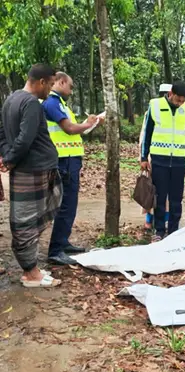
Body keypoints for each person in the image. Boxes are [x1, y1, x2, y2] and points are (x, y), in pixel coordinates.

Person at [0, 64, 62, 287]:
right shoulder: (32, 104)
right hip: (34, 169)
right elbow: (25, 138)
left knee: (29, 218)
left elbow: (2, 131)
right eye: (51, 84)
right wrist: (10, 158)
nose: (51, 89)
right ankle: (30, 273)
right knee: (27, 221)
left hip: (28, 167)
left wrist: (7, 155)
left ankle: (32, 267)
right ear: (42, 82)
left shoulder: (11, 99)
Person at [42, 72, 102, 266]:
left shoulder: (62, 104)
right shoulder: (52, 103)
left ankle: (63, 242)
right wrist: (86, 124)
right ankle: (55, 250)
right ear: (60, 82)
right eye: (71, 85)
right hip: (62, 161)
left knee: (70, 204)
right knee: (65, 205)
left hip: (70, 159)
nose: (72, 89)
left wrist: (88, 125)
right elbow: (68, 128)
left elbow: (73, 131)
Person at [139, 81, 185, 242]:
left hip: (179, 159)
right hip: (159, 159)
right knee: (160, 197)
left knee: (176, 198)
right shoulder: (155, 105)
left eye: (183, 101)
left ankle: (174, 231)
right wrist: (144, 157)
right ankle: (159, 230)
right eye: (178, 99)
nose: (180, 103)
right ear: (171, 93)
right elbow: (147, 133)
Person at [139, 83, 172, 231]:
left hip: (169, 156)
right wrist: (144, 157)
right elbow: (145, 135)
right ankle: (150, 219)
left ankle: (159, 219)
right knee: (153, 189)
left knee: (162, 191)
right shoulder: (152, 111)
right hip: (155, 156)